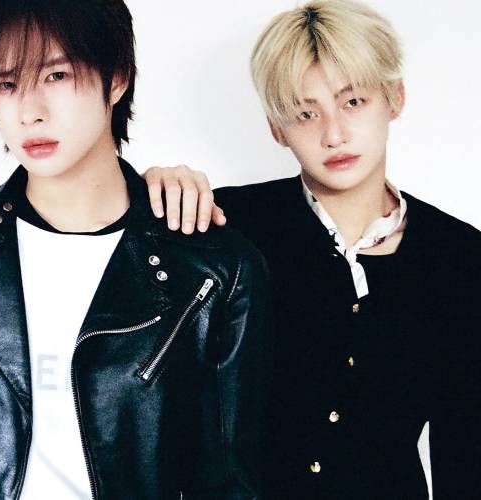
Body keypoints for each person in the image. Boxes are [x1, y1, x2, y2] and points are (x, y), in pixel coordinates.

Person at [0, 1, 270, 499]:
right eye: (6, 84)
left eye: (56, 75)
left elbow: (231, 481)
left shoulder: (212, 270)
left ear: (117, 78)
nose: (30, 112)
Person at [183, 1, 479, 498]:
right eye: (305, 113)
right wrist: (151, 192)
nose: (334, 133)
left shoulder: (460, 258)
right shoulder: (225, 225)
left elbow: (466, 454)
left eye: (353, 102)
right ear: (276, 129)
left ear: (395, 98)